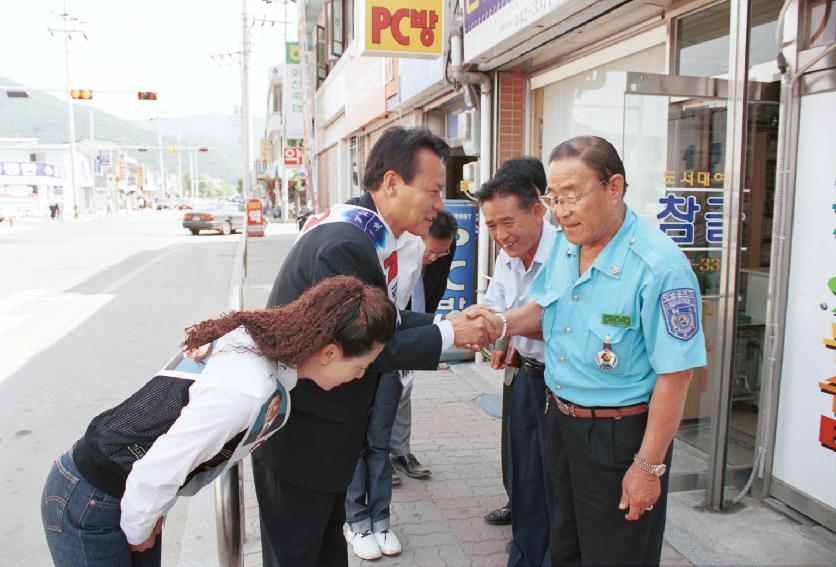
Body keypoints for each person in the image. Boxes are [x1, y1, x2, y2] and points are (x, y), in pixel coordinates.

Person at [254, 126, 498, 567]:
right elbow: (362, 346)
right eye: (433, 191)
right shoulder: (343, 244)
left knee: (325, 551)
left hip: (324, 440)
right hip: (302, 441)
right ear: (391, 183)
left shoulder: (363, 234)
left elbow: (384, 317)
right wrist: (449, 335)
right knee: (297, 555)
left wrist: (445, 322)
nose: (439, 205)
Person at [40, 276, 396, 567]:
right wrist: (140, 526)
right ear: (330, 353)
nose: (360, 375)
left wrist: (147, 515)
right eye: (360, 365)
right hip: (94, 497)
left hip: (123, 492)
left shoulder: (266, 348)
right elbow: (156, 473)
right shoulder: (246, 390)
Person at [488, 136, 707, 565]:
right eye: (553, 198)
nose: (562, 210)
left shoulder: (659, 266)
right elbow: (543, 308)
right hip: (562, 423)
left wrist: (648, 467)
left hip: (619, 436)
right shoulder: (567, 247)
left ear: (614, 187)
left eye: (573, 196)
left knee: (617, 554)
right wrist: (500, 325)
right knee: (566, 546)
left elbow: (677, 375)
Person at [476, 157, 557, 567]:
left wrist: (500, 324)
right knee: (523, 478)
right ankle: (524, 554)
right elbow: (496, 305)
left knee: (553, 482)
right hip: (523, 377)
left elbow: (551, 319)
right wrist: (497, 332)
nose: (501, 236)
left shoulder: (565, 253)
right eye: (491, 226)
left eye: (507, 222)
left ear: (538, 209)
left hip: (560, 387)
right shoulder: (507, 256)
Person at [390, 210, 458, 483]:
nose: (433, 259)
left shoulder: (443, 250)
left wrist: (426, 329)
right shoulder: (395, 251)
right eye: (430, 253)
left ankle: (400, 451)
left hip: (417, 319)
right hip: (390, 324)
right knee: (383, 391)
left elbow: (436, 289)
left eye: (440, 255)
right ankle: (378, 456)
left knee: (405, 386)